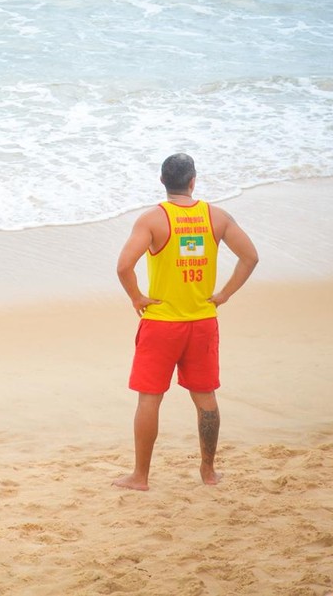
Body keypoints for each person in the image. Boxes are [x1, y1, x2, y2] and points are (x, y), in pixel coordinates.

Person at [114, 153, 259, 491]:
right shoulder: (217, 217)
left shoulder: (153, 220)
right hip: (202, 322)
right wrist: (224, 294)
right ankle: (208, 472)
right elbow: (250, 257)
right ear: (193, 181)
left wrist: (137, 297)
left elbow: (123, 266)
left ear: (162, 181)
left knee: (149, 398)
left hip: (161, 323)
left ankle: (140, 476)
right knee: (205, 397)